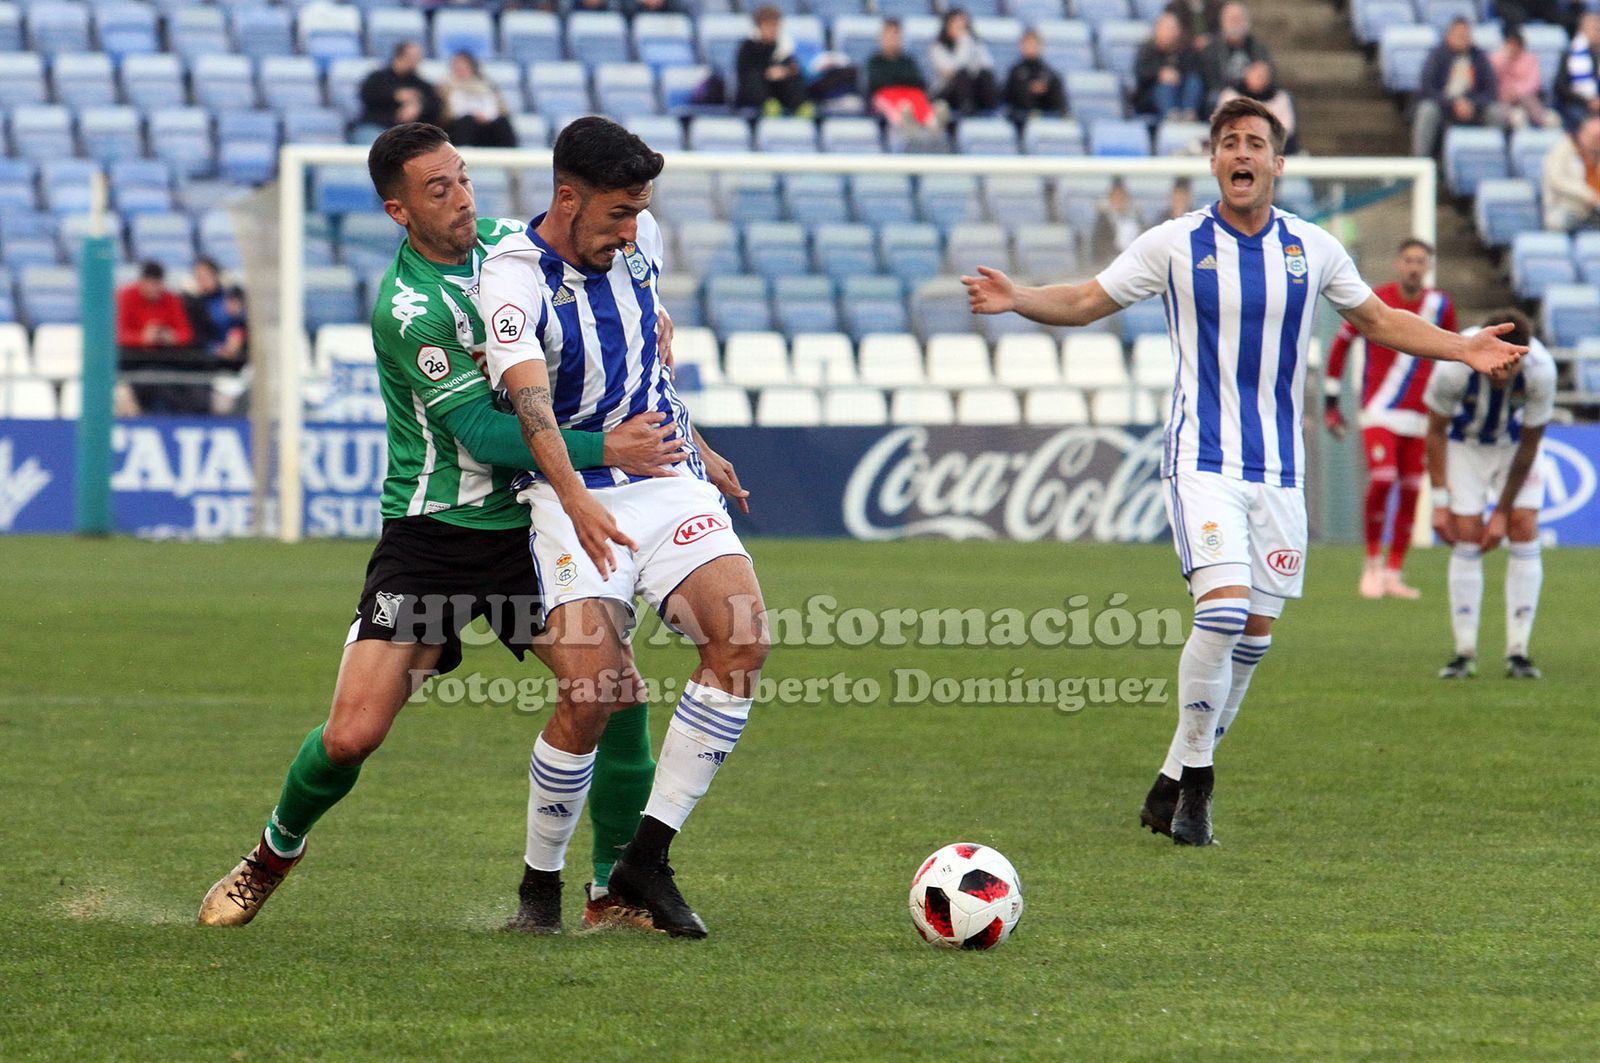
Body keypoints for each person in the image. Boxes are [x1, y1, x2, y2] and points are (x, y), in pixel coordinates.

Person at [961, 97, 1525, 846]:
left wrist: (1463, 346)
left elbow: (1380, 321)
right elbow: (1089, 298)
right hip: (1201, 458)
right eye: (1229, 142)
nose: (1242, 153)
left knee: (1254, 634)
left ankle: (1170, 778)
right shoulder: (1174, 243)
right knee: (1222, 612)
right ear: (1215, 160)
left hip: (1280, 472)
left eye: (1255, 142)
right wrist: (1019, 297)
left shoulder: (1313, 247)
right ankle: (1199, 786)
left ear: (1276, 164)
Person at [198, 123, 686, 931]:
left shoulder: (514, 248)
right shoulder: (409, 308)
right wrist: (612, 446)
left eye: (462, 179)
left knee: (614, 689)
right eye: (438, 189)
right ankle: (271, 854)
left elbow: (609, 297)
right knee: (353, 734)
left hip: (532, 524)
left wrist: (648, 317)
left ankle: (609, 889)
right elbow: (489, 435)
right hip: (436, 536)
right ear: (399, 210)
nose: (461, 199)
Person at [476, 117, 769, 938]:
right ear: (567, 199)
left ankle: (647, 857)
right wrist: (575, 498)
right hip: (575, 487)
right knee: (594, 690)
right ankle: (540, 889)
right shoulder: (513, 279)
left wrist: (700, 447)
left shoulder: (642, 244)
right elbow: (532, 406)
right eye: (617, 214)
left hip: (666, 477)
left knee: (741, 641)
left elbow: (644, 357)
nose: (633, 229)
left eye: (641, 211)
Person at [1425, 309, 1556, 680]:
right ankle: (1464, 652)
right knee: (1465, 532)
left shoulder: (1541, 371)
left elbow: (1531, 444)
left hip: (1513, 448)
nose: (1501, 375)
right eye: (1497, 364)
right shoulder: (1453, 365)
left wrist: (1500, 512)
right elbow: (1435, 431)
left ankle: (1518, 651)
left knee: (1522, 524)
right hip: (1465, 445)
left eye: (1510, 368)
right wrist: (1439, 503)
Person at [1324, 239, 1456, 599]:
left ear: (1427, 266)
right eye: (1408, 260)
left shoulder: (1439, 304)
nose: (1414, 267)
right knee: (1383, 479)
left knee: (1412, 489)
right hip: (1379, 408)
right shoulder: (1375, 300)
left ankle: (1394, 571)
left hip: (1421, 413)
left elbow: (1451, 351)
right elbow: (1341, 344)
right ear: (1398, 264)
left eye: (1420, 261)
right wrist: (1332, 401)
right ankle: (1371, 564)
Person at [1411, 18, 1502, 160]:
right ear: (1448, 36)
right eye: (1459, 36)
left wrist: (1472, 103)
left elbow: (1491, 91)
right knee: (1427, 109)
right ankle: (1421, 162)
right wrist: (1453, 103)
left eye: (1466, 36)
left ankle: (1493, 160)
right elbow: (1427, 88)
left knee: (1496, 112)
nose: (1463, 40)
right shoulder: (1436, 56)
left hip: (1473, 108)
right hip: (1444, 106)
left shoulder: (1480, 57)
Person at [116, 260, 198, 414]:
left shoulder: (171, 299)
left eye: (157, 284)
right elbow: (118, 334)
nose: (153, 289)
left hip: (164, 360)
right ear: (142, 282)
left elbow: (186, 334)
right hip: (133, 361)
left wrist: (170, 337)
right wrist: (142, 338)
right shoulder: (126, 296)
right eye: (150, 284)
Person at [735, 5, 807, 116]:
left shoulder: (784, 46)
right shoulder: (748, 47)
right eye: (769, 26)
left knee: (793, 78)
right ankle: (767, 105)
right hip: (754, 96)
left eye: (775, 26)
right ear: (759, 26)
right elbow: (745, 74)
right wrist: (767, 73)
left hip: (779, 93)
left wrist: (784, 71)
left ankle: (801, 106)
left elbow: (794, 68)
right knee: (753, 78)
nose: (773, 30)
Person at [1200, 1, 1273, 107]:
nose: (1235, 23)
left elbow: (1267, 70)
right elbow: (1210, 79)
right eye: (1232, 19)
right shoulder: (1212, 48)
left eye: (1239, 19)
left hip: (1253, 92)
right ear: (1222, 22)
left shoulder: (1256, 46)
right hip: (1223, 93)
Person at [357, 42, 442, 132]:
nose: (418, 60)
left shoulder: (420, 83)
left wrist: (419, 106)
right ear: (401, 56)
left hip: (408, 132)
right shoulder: (378, 77)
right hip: (376, 126)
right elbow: (367, 95)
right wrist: (395, 96)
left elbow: (436, 103)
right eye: (415, 56)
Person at [1135, 13, 1205, 121]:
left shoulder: (1186, 49)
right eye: (1168, 28)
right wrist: (1159, 74)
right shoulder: (1147, 49)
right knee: (1165, 87)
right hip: (1152, 95)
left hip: (1182, 91)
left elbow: (1196, 70)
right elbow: (1141, 73)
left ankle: (1190, 114)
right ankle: (1172, 117)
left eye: (1174, 28)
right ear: (1157, 29)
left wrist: (1177, 75)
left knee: (1194, 80)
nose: (1171, 32)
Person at [928, 8, 998, 116]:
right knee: (962, 75)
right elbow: (951, 73)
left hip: (974, 90)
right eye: (956, 24)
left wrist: (971, 46)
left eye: (963, 25)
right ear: (947, 25)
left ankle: (991, 111)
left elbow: (988, 65)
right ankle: (967, 109)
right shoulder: (937, 48)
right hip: (949, 93)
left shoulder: (975, 43)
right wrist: (963, 43)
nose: (960, 28)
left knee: (985, 75)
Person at [868, 19, 936, 128]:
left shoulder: (908, 61)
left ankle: (932, 127)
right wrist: (901, 78)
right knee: (887, 102)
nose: (892, 40)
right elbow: (875, 84)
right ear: (881, 38)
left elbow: (918, 81)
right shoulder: (874, 61)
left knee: (919, 98)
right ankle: (905, 127)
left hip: (910, 94)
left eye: (895, 36)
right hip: (886, 94)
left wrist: (893, 78)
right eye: (889, 36)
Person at [441, 51, 517, 149]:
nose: (460, 68)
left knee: (502, 123)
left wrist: (486, 116)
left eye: (464, 65)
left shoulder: (487, 85)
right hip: (458, 127)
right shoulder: (445, 86)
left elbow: (501, 109)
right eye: (457, 65)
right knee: (467, 121)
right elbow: (444, 113)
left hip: (487, 126)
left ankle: (511, 156)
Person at [1217, 60, 1297, 153]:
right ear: (1247, 75)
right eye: (1257, 76)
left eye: (1263, 76)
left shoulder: (1280, 97)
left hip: (1270, 144)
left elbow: (1287, 126)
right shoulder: (1231, 95)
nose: (1261, 79)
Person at [1492, 26, 1560, 131]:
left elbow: (1533, 83)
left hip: (1526, 99)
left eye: (1516, 44)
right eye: (1510, 44)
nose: (1513, 47)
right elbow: (1492, 79)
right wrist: (1506, 58)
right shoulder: (1496, 58)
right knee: (1517, 117)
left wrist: (1517, 92)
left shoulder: (1530, 59)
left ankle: (1544, 121)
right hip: (1503, 99)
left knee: (1527, 98)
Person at [1541, 114, 1600, 230]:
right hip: (1567, 205)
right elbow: (1556, 180)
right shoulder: (1563, 149)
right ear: (1582, 134)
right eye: (1595, 137)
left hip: (1596, 207)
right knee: (1557, 222)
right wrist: (1587, 195)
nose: (1598, 141)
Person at [1003, 29, 1066, 122]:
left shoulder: (1047, 70)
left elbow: (1050, 86)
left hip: (1044, 109)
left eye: (1033, 44)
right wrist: (1029, 88)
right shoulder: (1015, 70)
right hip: (1020, 114)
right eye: (1027, 44)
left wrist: (1042, 87)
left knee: (1055, 83)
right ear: (1021, 46)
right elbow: (1008, 95)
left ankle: (1061, 116)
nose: (1030, 47)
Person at [1559, 12, 1600, 128]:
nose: (1598, 33)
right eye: (1594, 28)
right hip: (1578, 104)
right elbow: (1561, 88)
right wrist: (1587, 101)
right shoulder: (1570, 55)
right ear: (1582, 30)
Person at [1090, 179, 1143, 266]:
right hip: (1111, 263)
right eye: (1115, 196)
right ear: (1110, 198)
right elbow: (1099, 246)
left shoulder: (1137, 217)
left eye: (1122, 196)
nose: (1119, 200)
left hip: (1135, 262)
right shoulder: (1103, 220)